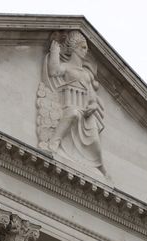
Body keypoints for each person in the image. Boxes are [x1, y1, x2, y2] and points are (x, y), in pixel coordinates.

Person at [42, 30, 107, 177]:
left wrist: (93, 106)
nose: (86, 51)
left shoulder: (87, 74)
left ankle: (100, 166)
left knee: (96, 142)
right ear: (74, 48)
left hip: (87, 113)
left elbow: (92, 97)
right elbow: (54, 71)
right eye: (83, 47)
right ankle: (54, 142)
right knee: (73, 113)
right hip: (69, 105)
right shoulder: (67, 67)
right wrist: (54, 52)